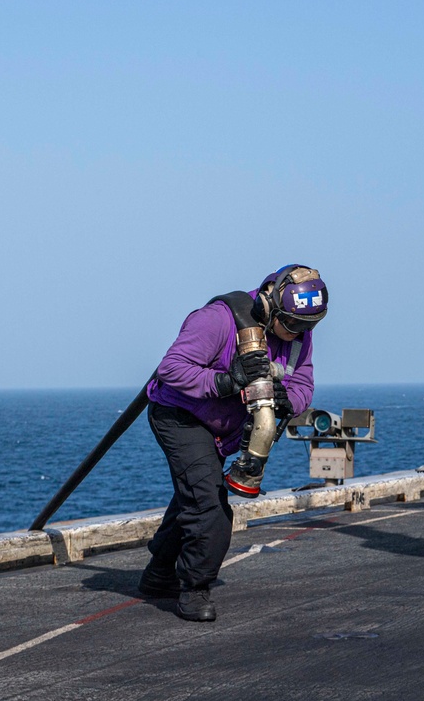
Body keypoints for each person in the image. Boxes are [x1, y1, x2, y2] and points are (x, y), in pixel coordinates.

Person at [137, 265, 327, 622]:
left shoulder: (300, 327)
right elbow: (171, 369)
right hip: (181, 416)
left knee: (193, 496)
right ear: (271, 304)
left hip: (222, 429)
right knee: (210, 506)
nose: (299, 335)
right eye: (294, 325)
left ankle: (159, 574)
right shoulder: (218, 320)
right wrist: (226, 382)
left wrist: (291, 401)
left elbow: (303, 382)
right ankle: (195, 588)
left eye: (308, 327)